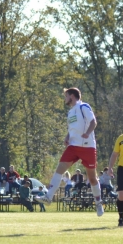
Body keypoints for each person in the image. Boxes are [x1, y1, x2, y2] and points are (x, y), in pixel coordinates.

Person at [35, 87, 104, 217]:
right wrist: (67, 136)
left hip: (87, 147)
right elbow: (73, 128)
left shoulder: (83, 107)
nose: (65, 99)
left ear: (72, 96)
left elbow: (93, 122)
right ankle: (48, 197)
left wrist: (87, 133)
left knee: (92, 178)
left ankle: (98, 202)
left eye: (66, 96)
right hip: (73, 146)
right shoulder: (71, 112)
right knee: (60, 168)